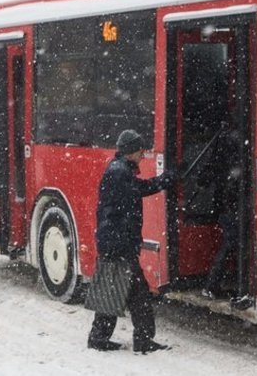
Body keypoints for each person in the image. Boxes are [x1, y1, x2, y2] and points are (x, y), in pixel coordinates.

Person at [87, 129, 175, 353]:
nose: (143, 155)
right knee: (137, 295)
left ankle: (100, 338)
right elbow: (138, 190)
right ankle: (142, 340)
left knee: (113, 289)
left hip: (114, 242)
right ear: (131, 151)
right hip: (119, 244)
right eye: (140, 150)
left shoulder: (119, 169)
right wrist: (164, 181)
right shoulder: (119, 173)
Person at [199, 119, 253, 310]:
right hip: (232, 204)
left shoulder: (223, 141)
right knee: (233, 241)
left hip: (225, 203)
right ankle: (216, 284)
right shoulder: (237, 144)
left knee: (232, 242)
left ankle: (216, 284)